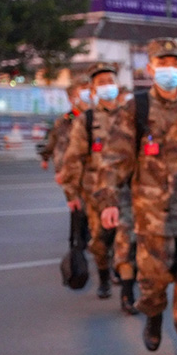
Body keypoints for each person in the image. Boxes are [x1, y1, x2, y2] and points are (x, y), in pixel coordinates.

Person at [95, 37, 177, 355]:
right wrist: (109, 200)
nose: (170, 68)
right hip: (152, 216)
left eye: (175, 62)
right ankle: (154, 318)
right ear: (150, 67)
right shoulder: (137, 108)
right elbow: (115, 157)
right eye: (163, 62)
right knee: (154, 282)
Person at [60, 62, 123, 300]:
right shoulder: (86, 120)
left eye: (111, 80)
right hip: (94, 192)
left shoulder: (129, 115)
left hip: (126, 191)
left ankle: (125, 283)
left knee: (127, 239)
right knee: (100, 240)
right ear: (94, 91)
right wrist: (71, 194)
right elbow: (73, 159)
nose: (108, 85)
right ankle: (105, 277)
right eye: (102, 82)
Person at [39, 77, 91, 183]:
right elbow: (59, 145)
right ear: (72, 99)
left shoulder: (98, 116)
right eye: (83, 91)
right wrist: (59, 170)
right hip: (77, 173)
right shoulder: (67, 120)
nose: (88, 95)